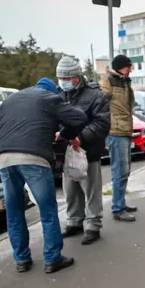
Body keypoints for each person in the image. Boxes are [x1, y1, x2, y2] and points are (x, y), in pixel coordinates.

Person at [0, 78, 87, 274]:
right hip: (34, 158)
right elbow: (79, 118)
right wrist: (64, 134)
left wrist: (11, 142)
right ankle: (52, 259)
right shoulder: (50, 98)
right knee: (47, 210)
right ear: (53, 91)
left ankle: (22, 260)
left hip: (5, 159)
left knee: (15, 210)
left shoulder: (10, 99)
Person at [55, 56, 111, 245]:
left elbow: (102, 124)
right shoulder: (58, 94)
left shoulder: (95, 95)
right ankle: (74, 221)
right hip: (66, 151)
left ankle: (93, 225)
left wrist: (81, 138)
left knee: (91, 190)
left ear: (77, 77)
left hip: (88, 151)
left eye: (66, 78)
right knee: (70, 189)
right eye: (60, 78)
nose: (63, 82)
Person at [99, 54, 137, 222]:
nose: (131, 69)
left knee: (125, 171)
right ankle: (117, 208)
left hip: (125, 130)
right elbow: (100, 102)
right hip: (115, 131)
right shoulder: (108, 81)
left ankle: (121, 203)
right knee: (119, 171)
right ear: (122, 66)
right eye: (129, 66)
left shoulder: (124, 81)